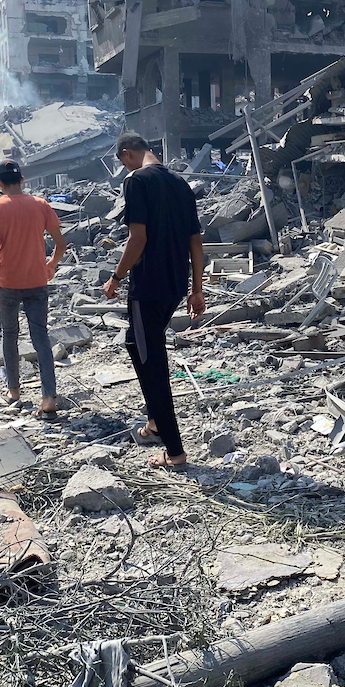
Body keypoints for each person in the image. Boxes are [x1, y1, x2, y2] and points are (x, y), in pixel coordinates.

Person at [104, 132, 205, 468]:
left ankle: (175, 452)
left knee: (153, 362)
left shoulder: (136, 181)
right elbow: (195, 243)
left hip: (147, 286)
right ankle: (155, 421)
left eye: (122, 162)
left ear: (127, 154)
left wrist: (116, 276)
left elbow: (137, 238)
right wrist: (197, 288)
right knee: (137, 342)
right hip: (176, 284)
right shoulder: (181, 185)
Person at [0, 159, 67, 417]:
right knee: (40, 338)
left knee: (10, 335)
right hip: (37, 281)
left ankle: (14, 390)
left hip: (7, 283)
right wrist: (51, 264)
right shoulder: (41, 205)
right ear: (22, 180)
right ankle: (49, 396)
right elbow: (61, 244)